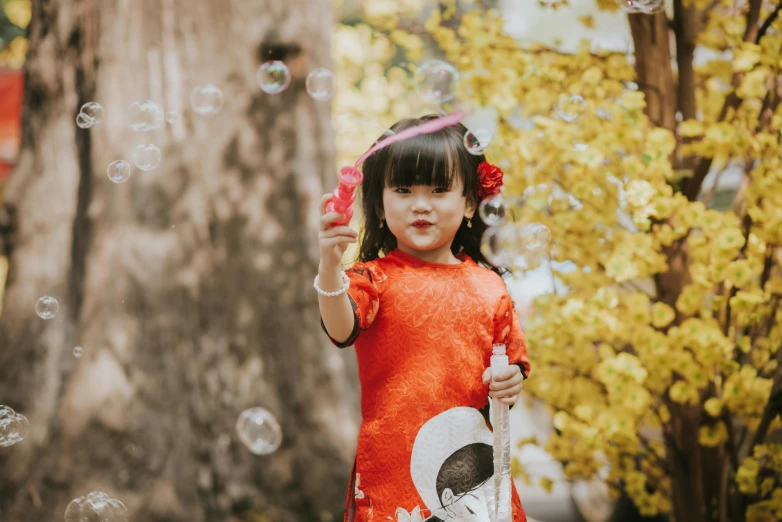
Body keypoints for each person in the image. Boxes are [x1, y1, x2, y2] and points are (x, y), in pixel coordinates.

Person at [316, 114, 531, 522]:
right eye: (403, 189)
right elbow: (341, 328)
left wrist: (510, 381)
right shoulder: (371, 280)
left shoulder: (490, 287)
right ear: (379, 204)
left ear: (470, 202)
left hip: (474, 475)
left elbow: (511, 366)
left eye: (438, 189)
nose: (420, 204)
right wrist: (329, 266)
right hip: (391, 471)